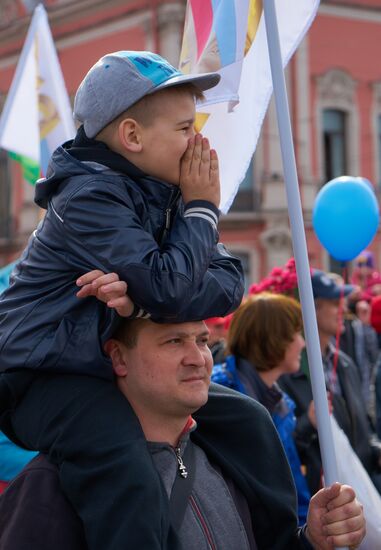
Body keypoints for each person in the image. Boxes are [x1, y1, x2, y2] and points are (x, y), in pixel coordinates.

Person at [0, 51, 244, 549]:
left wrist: (143, 303)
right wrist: (201, 212)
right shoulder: (89, 195)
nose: (198, 141)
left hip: (99, 362)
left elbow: (228, 282)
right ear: (132, 136)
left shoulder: (161, 193)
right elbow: (172, 286)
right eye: (183, 128)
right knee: (122, 468)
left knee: (248, 423)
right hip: (40, 373)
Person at [0, 317, 366, 550]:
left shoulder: (234, 453)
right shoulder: (50, 485)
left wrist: (311, 540)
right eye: (173, 341)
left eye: (202, 340)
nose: (198, 357)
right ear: (119, 357)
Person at [211, 293, 312, 525]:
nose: (303, 343)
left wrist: (305, 532)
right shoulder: (219, 393)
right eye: (296, 333)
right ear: (273, 338)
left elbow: (292, 484)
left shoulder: (281, 402)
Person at [279, 269, 381, 495]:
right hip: (323, 501)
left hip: (362, 488)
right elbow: (279, 449)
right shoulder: (287, 371)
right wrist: (308, 422)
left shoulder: (344, 363)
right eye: (335, 303)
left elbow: (363, 427)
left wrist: (376, 452)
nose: (343, 310)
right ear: (312, 308)